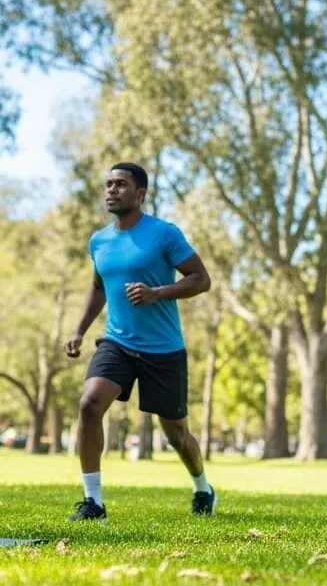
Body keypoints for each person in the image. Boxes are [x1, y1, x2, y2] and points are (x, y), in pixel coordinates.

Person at [64, 162, 214, 522]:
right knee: (89, 404)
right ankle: (93, 502)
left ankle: (203, 488)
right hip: (116, 342)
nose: (111, 190)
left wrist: (157, 293)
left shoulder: (164, 234)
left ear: (140, 193)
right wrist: (80, 329)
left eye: (120, 184)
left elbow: (201, 279)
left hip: (163, 349)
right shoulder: (98, 241)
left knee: (177, 434)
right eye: (108, 184)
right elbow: (100, 286)